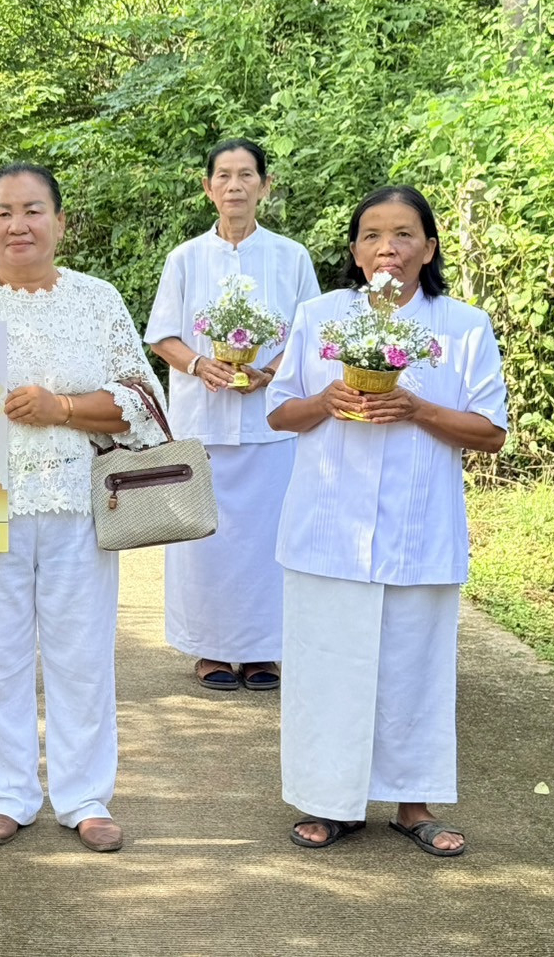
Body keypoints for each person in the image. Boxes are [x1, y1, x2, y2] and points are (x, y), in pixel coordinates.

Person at [0, 163, 163, 850]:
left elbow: (142, 402)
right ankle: (7, 792)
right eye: (2, 212)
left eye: (32, 211)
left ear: (59, 222)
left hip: (77, 503)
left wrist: (61, 408)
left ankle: (84, 797)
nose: (17, 225)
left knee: (80, 654)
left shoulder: (96, 300)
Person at [267, 185, 506, 857]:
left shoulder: (462, 326)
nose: (386, 247)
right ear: (353, 249)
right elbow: (278, 412)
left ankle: (412, 805)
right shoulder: (319, 316)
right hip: (325, 525)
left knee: (413, 666)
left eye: (403, 235)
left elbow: (489, 432)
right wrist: (325, 398)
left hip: (417, 527)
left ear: (427, 248)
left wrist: (415, 408)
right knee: (325, 665)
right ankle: (328, 804)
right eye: (372, 234)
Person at [144, 139, 319, 692]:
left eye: (247, 175)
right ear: (208, 188)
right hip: (203, 419)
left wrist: (273, 371)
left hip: (269, 423)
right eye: (224, 175)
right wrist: (200, 365)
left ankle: (267, 649)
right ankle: (211, 649)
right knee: (206, 541)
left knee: (269, 539)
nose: (235, 185)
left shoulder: (291, 257)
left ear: (265, 186)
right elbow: (163, 336)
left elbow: (311, 335)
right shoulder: (185, 258)